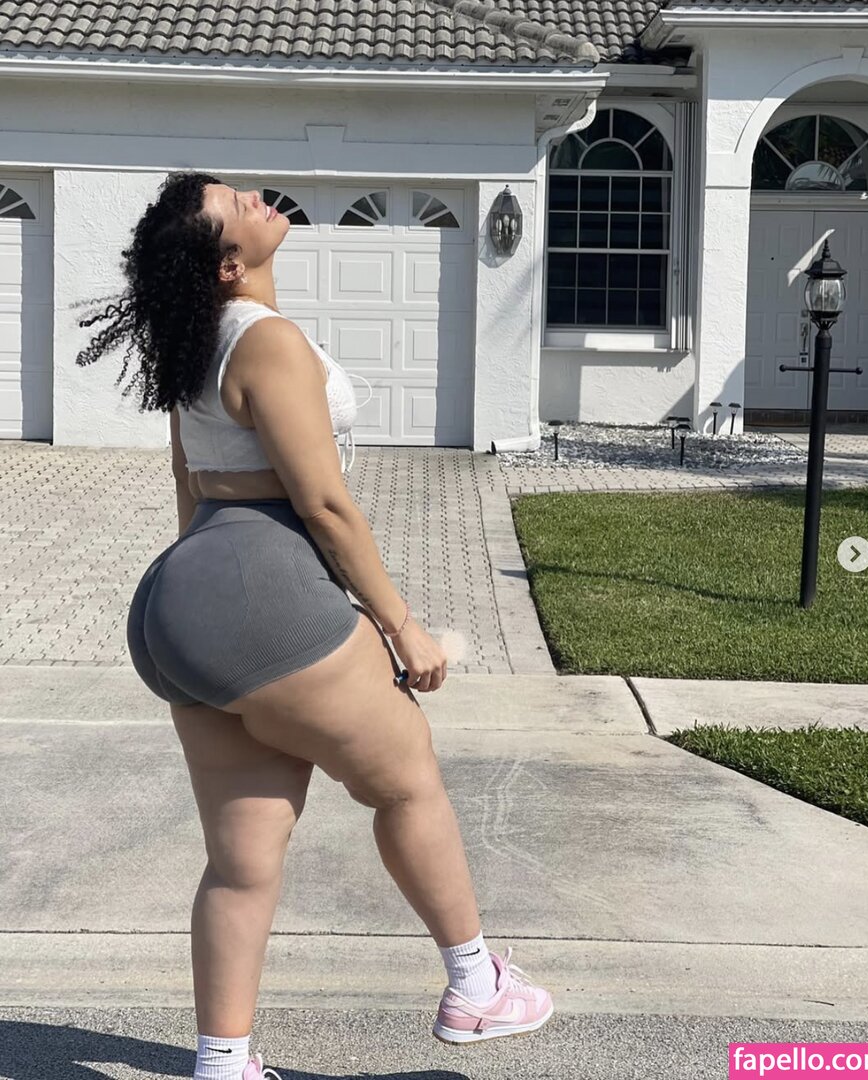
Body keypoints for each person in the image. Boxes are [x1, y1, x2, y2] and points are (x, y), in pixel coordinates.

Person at [74, 170, 553, 1080]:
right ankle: (476, 986)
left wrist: (208, 600)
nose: (256, 197)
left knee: (241, 860)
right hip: (259, 591)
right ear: (226, 264)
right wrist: (401, 625)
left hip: (179, 600)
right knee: (407, 782)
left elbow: (188, 480)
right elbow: (324, 505)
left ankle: (224, 1062)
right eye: (235, 206)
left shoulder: (195, 340)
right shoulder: (266, 340)